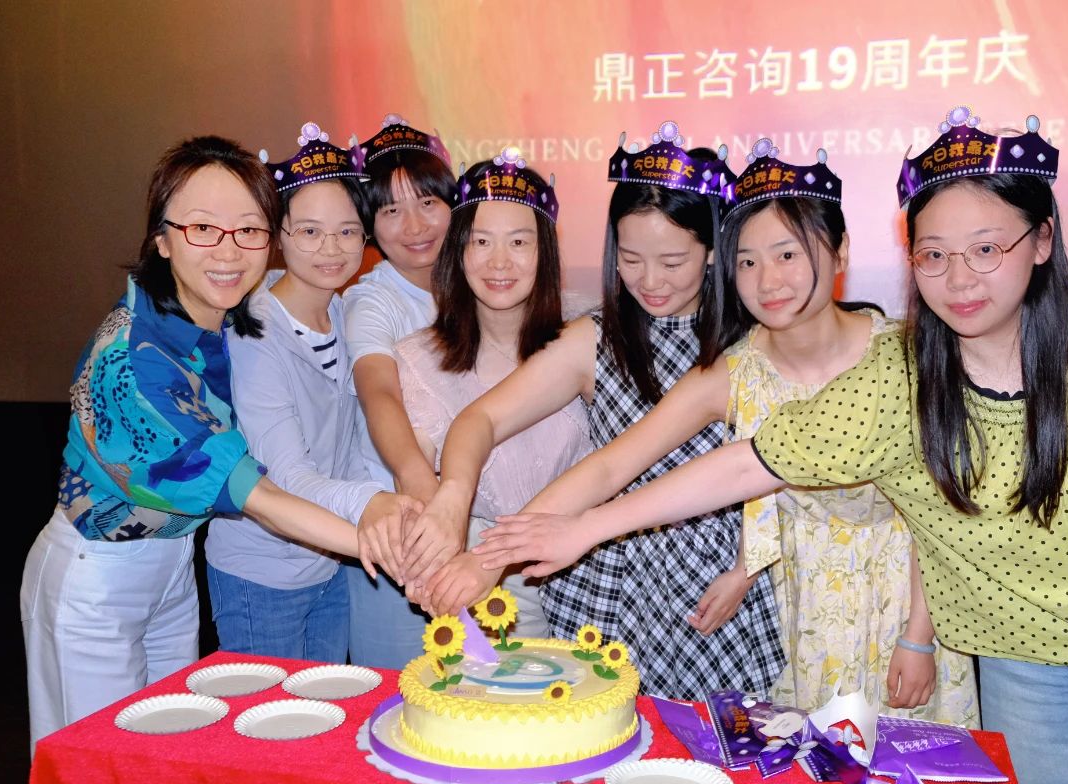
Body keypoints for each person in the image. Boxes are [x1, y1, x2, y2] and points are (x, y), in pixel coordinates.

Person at [471, 108, 1068, 784]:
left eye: (985, 248)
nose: (958, 277)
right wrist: (581, 528)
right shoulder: (903, 373)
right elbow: (748, 463)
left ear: (1041, 239)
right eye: (933, 255)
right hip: (1027, 655)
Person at [474, 142, 978, 725]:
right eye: (748, 261)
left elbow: (937, 510)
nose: (768, 280)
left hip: (906, 608)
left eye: (787, 255)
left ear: (840, 250)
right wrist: (495, 555)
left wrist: (919, 635)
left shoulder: (906, 355)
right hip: (798, 612)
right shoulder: (737, 368)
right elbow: (618, 463)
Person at [20, 136, 399, 750]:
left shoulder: (213, 314)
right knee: (97, 764)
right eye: (202, 228)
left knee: (174, 757)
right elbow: (262, 497)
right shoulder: (137, 363)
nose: (228, 250)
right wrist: (391, 553)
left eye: (248, 229)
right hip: (98, 577)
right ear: (162, 239)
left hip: (174, 565)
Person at [399, 121, 786, 701]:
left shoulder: (755, 346)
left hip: (722, 581)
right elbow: (481, 421)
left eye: (672, 261)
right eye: (630, 259)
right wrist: (455, 499)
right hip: (609, 576)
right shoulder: (595, 339)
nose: (649, 281)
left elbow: (789, 473)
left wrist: (749, 566)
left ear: (713, 252)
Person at [204, 123, 400, 662]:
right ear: (278, 235)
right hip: (260, 572)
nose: (330, 249)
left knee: (324, 705)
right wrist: (374, 506)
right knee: (267, 710)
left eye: (347, 231)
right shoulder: (254, 332)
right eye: (309, 231)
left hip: (328, 562)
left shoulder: (342, 311)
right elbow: (286, 477)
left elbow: (348, 448)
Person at [391, 150, 591, 637]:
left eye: (519, 242)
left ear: (545, 252)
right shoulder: (419, 358)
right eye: (481, 241)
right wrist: (426, 553)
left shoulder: (586, 330)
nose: (500, 262)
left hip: (593, 562)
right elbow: (417, 476)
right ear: (458, 250)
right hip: (485, 574)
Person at [342, 116, 456, 668]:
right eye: (390, 210)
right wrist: (419, 483)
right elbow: (379, 393)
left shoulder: (478, 282)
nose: (413, 226)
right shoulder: (373, 301)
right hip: (401, 528)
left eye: (428, 203)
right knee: (397, 689)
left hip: (470, 520)